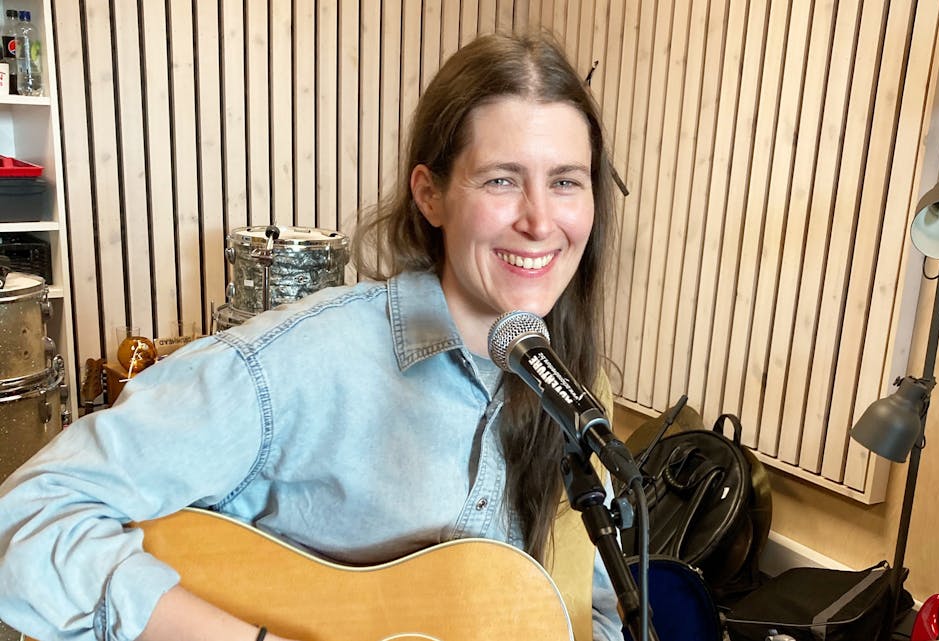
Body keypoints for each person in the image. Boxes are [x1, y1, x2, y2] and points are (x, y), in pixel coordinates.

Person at [0, 31, 623, 641]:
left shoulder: (577, 395)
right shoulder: (305, 362)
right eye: (500, 180)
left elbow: (592, 610)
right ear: (429, 195)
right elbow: (28, 513)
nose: (540, 220)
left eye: (566, 180)